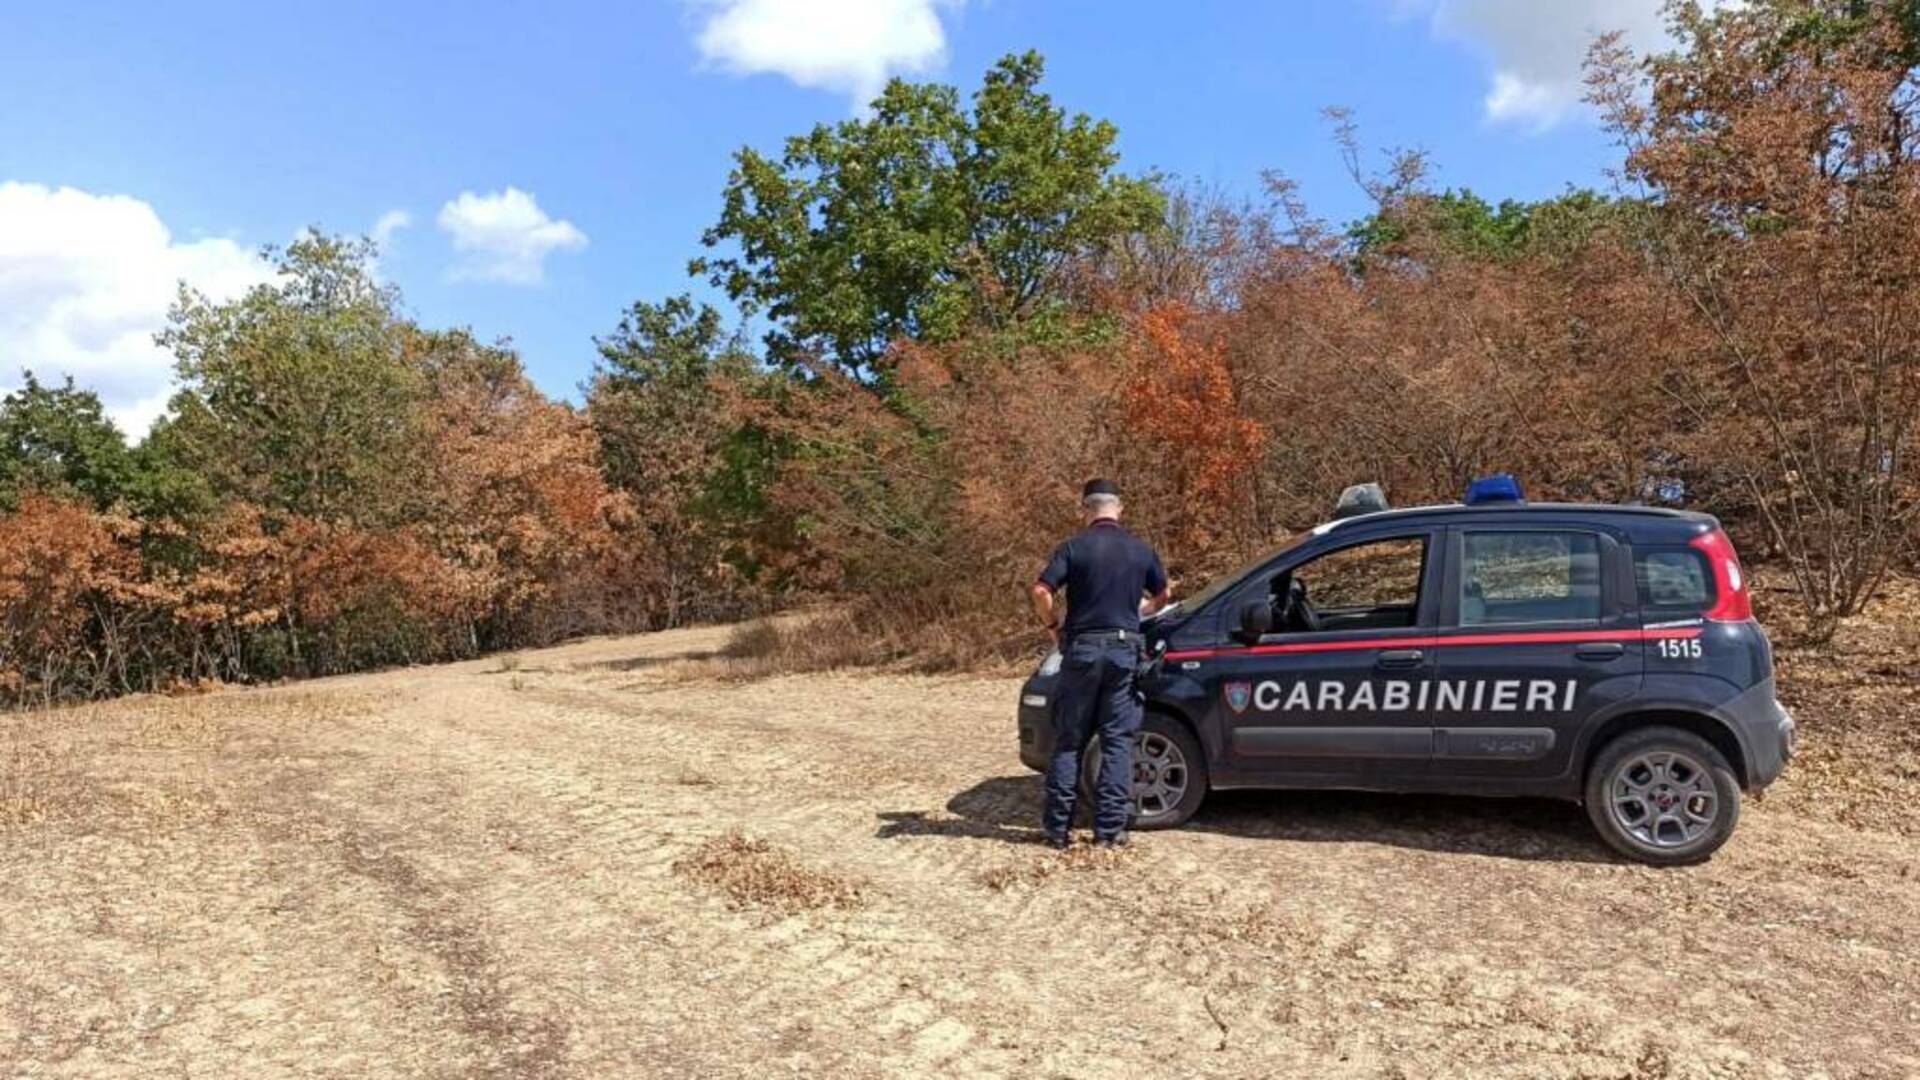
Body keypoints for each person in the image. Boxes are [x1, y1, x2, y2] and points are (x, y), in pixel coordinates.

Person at [1029, 479, 1171, 850]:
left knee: (1069, 739)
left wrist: (1052, 627)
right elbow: (1163, 595)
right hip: (1124, 651)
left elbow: (1041, 590)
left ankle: (1058, 829)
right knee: (1117, 741)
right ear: (1119, 508)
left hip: (1082, 650)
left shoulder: (1073, 548)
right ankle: (1109, 832)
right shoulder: (1140, 550)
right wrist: (1135, 611)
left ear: (1085, 510)